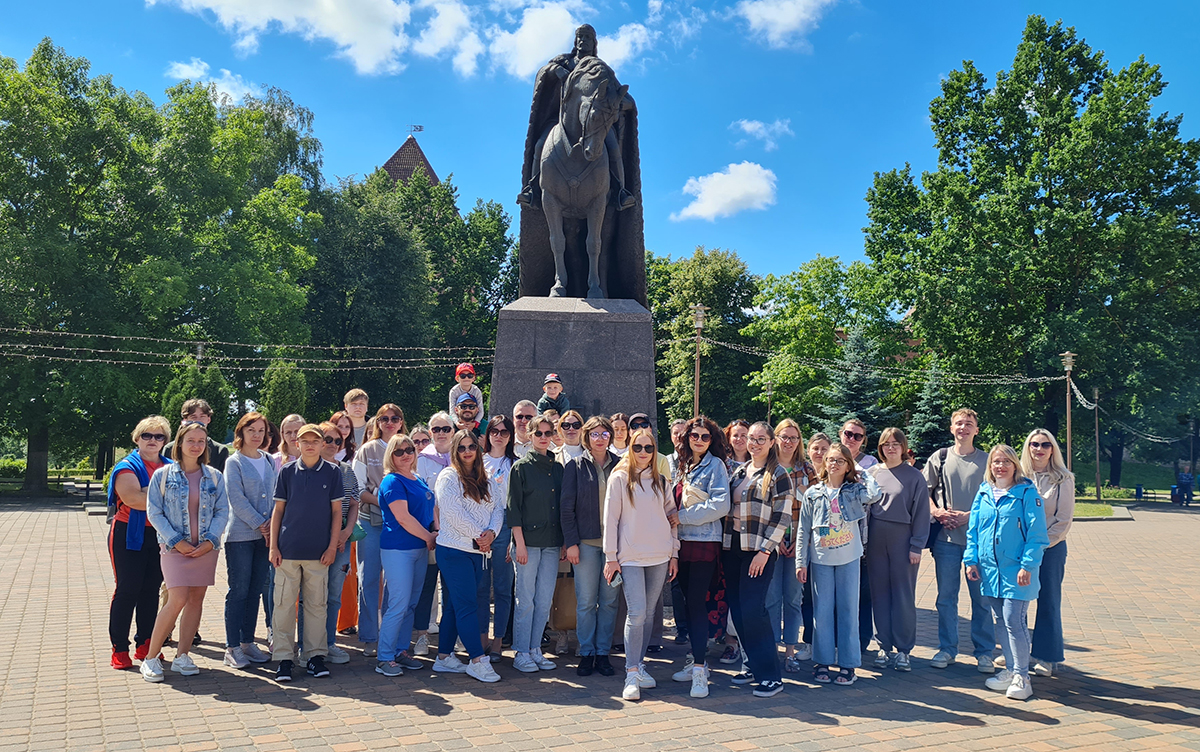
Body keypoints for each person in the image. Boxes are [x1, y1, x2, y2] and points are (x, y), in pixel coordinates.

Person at [139, 421, 230, 682]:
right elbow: (154, 511)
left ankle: (183, 655)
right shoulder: (163, 475)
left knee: (196, 600)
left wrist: (210, 540)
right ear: (180, 442)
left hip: (205, 549)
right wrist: (176, 540)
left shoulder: (214, 476)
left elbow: (222, 510)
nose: (196, 445)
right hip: (174, 548)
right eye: (191, 440)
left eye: (201, 441)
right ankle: (151, 657)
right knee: (176, 598)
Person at [965, 445, 1049, 701]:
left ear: (1015, 465)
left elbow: (1037, 536)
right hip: (990, 571)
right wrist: (971, 560)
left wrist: (1028, 565)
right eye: (995, 462)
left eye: (1006, 462)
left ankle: (1023, 676)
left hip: (1017, 571)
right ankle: (1011, 670)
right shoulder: (984, 492)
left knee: (1014, 620)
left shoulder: (1026, 494)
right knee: (1001, 620)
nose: (1000, 466)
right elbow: (974, 530)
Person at [603, 427, 679, 701]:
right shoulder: (619, 479)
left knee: (647, 613)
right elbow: (610, 519)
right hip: (630, 557)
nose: (644, 453)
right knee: (636, 614)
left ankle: (641, 663)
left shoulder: (661, 480)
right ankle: (631, 671)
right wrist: (611, 556)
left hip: (660, 555)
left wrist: (675, 553)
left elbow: (672, 517)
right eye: (638, 448)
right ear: (630, 449)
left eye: (649, 448)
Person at [798, 441, 880, 687]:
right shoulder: (813, 493)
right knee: (821, 613)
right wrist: (800, 562)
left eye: (840, 461)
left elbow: (874, 494)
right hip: (821, 559)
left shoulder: (854, 490)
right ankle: (822, 661)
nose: (834, 464)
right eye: (831, 459)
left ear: (848, 466)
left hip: (849, 559)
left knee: (848, 612)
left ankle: (848, 664)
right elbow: (803, 531)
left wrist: (864, 474)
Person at [269, 424, 344, 683]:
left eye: (315, 440)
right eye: (304, 440)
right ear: (296, 444)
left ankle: (313, 656)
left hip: (319, 552)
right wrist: (273, 546)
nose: (310, 444)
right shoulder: (287, 471)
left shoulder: (333, 472)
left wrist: (332, 546)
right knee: (284, 605)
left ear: (323, 444)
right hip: (287, 551)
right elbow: (278, 511)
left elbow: (337, 513)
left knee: (316, 605)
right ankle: (284, 659)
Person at [723, 421, 791, 698]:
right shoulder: (739, 471)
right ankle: (752, 665)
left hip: (758, 551)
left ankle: (771, 676)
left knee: (754, 611)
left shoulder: (778, 474)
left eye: (761, 439)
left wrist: (764, 552)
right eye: (752, 438)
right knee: (738, 611)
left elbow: (782, 517)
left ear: (771, 442)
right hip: (732, 547)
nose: (755, 443)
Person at [925, 408, 995, 673]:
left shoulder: (988, 461)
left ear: (977, 429)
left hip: (979, 542)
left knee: (982, 599)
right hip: (946, 540)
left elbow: (997, 497)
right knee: (946, 597)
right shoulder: (940, 458)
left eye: (969, 424)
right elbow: (924, 493)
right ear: (951, 428)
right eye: (958, 423)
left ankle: (985, 652)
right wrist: (937, 513)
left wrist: (970, 516)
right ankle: (947, 649)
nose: (963, 428)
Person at [431, 430, 504, 683]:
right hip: (454, 551)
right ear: (454, 450)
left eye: (472, 446)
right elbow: (452, 513)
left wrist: (491, 533)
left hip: (478, 552)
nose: (467, 451)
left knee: (454, 605)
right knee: (467, 605)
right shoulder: (448, 477)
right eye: (461, 447)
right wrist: (480, 536)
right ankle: (477, 660)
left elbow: (497, 509)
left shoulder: (487, 478)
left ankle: (443, 657)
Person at [667, 416, 730, 698]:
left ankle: (701, 669)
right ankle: (694, 660)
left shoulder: (715, 464)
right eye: (695, 436)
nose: (700, 441)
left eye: (706, 437)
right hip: (680, 544)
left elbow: (721, 504)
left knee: (697, 603)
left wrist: (682, 517)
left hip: (704, 542)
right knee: (686, 603)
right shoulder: (681, 465)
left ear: (712, 439)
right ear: (687, 437)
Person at [108, 416, 173, 669]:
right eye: (147, 435)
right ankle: (119, 649)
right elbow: (132, 499)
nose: (153, 441)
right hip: (128, 533)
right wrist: (162, 494)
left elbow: (179, 497)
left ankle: (146, 644)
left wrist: (148, 491)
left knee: (150, 591)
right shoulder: (127, 466)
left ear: (165, 441)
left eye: (159, 436)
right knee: (127, 590)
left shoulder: (170, 466)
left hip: (159, 534)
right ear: (137, 438)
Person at [866, 428, 930, 673]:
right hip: (875, 538)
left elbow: (922, 513)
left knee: (903, 595)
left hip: (903, 540)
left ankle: (904, 649)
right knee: (879, 594)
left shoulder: (914, 477)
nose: (890, 448)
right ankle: (884, 644)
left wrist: (916, 545)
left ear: (903, 447)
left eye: (895, 444)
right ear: (880, 448)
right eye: (885, 444)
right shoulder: (872, 474)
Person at [561, 416, 621, 678]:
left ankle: (602, 653)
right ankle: (586, 653)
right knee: (585, 602)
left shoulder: (620, 466)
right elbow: (566, 508)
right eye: (595, 434)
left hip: (614, 548)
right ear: (587, 437)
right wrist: (571, 542)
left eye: (604, 434)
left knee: (608, 602)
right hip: (585, 544)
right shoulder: (575, 466)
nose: (600, 438)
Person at [507, 413, 565, 673]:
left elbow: (564, 508)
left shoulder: (558, 468)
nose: (543, 438)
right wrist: (518, 543)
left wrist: (564, 542)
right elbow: (514, 510)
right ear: (529, 436)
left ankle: (534, 649)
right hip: (527, 543)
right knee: (525, 599)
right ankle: (521, 651)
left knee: (543, 600)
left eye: (547, 433)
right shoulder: (520, 467)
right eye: (538, 433)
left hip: (552, 543)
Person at [375, 433, 436, 677]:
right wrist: (429, 537)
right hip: (398, 549)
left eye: (409, 449)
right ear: (391, 455)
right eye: (398, 451)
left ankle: (400, 650)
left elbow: (429, 511)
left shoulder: (418, 478)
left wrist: (433, 531)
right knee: (398, 604)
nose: (405, 455)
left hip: (420, 548)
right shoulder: (392, 481)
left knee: (410, 604)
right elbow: (403, 518)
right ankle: (384, 657)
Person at [221, 412, 276, 669]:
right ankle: (232, 647)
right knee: (239, 591)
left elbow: (277, 496)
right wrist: (261, 524)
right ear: (241, 432)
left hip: (264, 538)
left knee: (256, 591)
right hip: (241, 536)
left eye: (261, 431)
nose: (256, 435)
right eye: (251, 430)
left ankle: (247, 642)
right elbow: (236, 498)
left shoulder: (268, 460)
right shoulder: (234, 462)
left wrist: (271, 526)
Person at [1020, 430, 1075, 677]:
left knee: (1048, 602)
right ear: (1028, 447)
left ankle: (1046, 656)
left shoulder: (1063, 478)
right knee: (1015, 602)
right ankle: (1018, 651)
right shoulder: (1019, 477)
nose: (1039, 449)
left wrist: (1039, 546)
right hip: (1019, 549)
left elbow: (1063, 521)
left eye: (1045, 444)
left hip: (1050, 550)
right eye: (1035, 444)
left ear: (1053, 449)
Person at [353, 404, 406, 657]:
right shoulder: (367, 450)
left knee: (394, 582)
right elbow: (357, 489)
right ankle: (370, 636)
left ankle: (390, 635)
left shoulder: (406, 447)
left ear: (401, 421)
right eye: (384, 418)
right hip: (371, 522)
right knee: (370, 579)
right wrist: (384, 500)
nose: (389, 422)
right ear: (377, 423)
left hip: (400, 525)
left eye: (394, 418)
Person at [306, 420, 361, 665]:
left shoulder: (346, 470)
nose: (332, 444)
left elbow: (354, 503)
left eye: (337, 440)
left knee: (334, 595)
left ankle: (329, 643)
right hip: (314, 540)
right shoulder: (307, 469)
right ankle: (308, 645)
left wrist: (346, 532)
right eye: (326, 439)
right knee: (310, 595)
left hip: (342, 541)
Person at [766, 418, 813, 673]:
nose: (789, 442)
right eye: (784, 437)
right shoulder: (768, 468)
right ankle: (772, 649)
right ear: (776, 439)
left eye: (793, 438)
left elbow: (816, 509)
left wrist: (797, 541)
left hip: (799, 545)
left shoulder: (806, 470)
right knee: (772, 599)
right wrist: (777, 539)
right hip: (772, 544)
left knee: (793, 600)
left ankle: (791, 652)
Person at [413, 412, 455, 655]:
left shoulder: (462, 457)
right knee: (426, 585)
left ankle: (453, 635)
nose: (441, 433)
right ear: (430, 432)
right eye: (436, 428)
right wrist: (431, 528)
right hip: (428, 532)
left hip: (455, 533)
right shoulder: (420, 460)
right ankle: (421, 636)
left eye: (446, 429)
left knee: (451, 587)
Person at [481, 416, 518, 661]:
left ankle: (498, 641)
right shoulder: (477, 461)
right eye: (494, 431)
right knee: (481, 588)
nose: (499, 435)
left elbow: (519, 504)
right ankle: (481, 638)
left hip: (506, 525)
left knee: (503, 589)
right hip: (479, 525)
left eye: (505, 431)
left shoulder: (516, 464)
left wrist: (514, 536)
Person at [796, 432, 832, 659]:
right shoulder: (803, 474)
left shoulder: (835, 475)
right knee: (807, 597)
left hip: (829, 547)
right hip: (804, 544)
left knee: (827, 598)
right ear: (808, 450)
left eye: (824, 448)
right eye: (815, 448)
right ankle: (809, 642)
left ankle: (829, 643)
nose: (819, 453)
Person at [164, 399, 230, 472]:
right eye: (193, 417)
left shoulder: (220, 451)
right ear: (185, 420)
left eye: (202, 417)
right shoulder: (170, 449)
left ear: (209, 419)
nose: (198, 421)